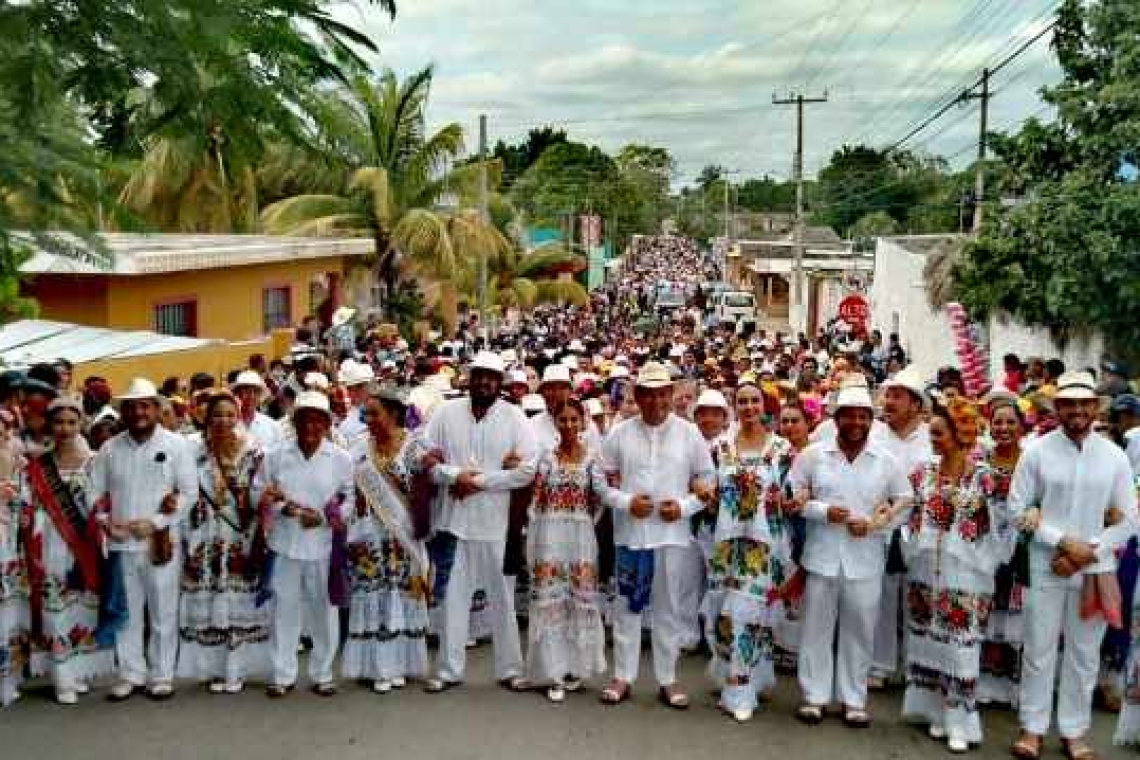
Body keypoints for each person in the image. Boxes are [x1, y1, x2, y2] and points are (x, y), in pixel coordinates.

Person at [1009, 371, 1138, 760]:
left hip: (1095, 571)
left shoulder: (1113, 456)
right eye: (1069, 404)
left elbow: (1129, 519)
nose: (1077, 411)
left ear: (1095, 409)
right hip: (1046, 564)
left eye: (1084, 404)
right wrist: (1063, 543)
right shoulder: (1036, 451)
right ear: (1058, 408)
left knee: (1084, 654)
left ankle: (1074, 731)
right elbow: (1017, 508)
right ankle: (1031, 729)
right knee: (1038, 648)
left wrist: (1090, 551)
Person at [788, 383, 912, 728]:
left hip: (866, 558)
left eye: (863, 416)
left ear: (871, 421)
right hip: (822, 555)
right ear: (836, 418)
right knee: (816, 627)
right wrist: (823, 511)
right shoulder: (813, 455)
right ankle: (813, 696)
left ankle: (853, 699)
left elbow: (905, 501)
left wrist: (875, 524)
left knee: (859, 628)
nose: (856, 422)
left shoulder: (886, 461)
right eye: (849, 416)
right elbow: (793, 498)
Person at [599, 361, 715, 709]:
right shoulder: (619, 433)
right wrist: (625, 501)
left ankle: (668, 678)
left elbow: (708, 480)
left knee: (668, 607)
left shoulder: (688, 433)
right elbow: (600, 482)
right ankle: (623, 676)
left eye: (662, 394)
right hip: (631, 533)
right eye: (647, 394)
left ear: (671, 394)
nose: (655, 401)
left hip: (672, 535)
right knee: (626, 606)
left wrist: (684, 506)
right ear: (638, 395)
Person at [900, 399, 1012, 753]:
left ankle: (961, 718)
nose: (932, 438)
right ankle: (936, 712)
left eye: (938, 432)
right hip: (925, 568)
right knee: (929, 638)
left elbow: (1002, 524)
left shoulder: (984, 476)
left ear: (959, 433)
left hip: (967, 571)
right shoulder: (923, 472)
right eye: (931, 432)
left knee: (961, 643)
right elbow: (906, 510)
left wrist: (984, 548)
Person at [421, 351, 536, 693]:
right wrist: (454, 476)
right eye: (479, 375)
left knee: (502, 598)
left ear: (500, 383)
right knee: (453, 600)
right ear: (468, 379)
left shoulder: (515, 417)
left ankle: (510, 669)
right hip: (456, 524)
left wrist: (478, 482)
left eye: (492, 376)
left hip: (496, 525)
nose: (485, 381)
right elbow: (424, 457)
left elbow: (527, 470)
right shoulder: (445, 413)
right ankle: (448, 670)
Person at [88, 378, 197, 701]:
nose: (138, 412)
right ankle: (130, 674)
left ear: (156, 408)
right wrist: (106, 522)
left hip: (161, 543)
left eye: (145, 405)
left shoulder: (177, 445)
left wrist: (157, 522)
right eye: (132, 406)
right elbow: (94, 490)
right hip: (122, 545)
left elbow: (188, 493)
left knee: (163, 612)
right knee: (128, 613)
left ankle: (162, 675)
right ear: (123, 410)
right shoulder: (110, 448)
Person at [704, 382, 794, 722]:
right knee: (726, 614)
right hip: (727, 544)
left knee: (750, 612)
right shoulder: (720, 446)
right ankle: (739, 674)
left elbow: (793, 489)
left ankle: (739, 688)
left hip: (763, 546)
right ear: (734, 406)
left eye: (754, 400)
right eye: (741, 401)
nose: (748, 407)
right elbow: (708, 487)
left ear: (764, 405)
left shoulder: (782, 449)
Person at [256, 391, 353, 698]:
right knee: (284, 610)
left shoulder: (340, 458)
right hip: (285, 544)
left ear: (326, 424)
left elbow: (349, 498)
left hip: (323, 546)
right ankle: (282, 675)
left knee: (324, 612)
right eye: (304, 420)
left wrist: (325, 519)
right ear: (294, 422)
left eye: (317, 420)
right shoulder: (275, 455)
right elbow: (258, 492)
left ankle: (322, 674)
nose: (310, 427)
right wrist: (285, 508)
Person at [177, 390, 271, 694]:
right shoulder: (191, 450)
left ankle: (237, 670)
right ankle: (214, 670)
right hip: (204, 536)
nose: (224, 420)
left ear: (239, 416)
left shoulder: (254, 451)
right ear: (206, 417)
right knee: (210, 602)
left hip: (239, 536)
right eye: (218, 414)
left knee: (236, 603)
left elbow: (260, 492)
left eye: (230, 414)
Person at [21, 398, 113, 705]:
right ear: (50, 426)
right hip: (49, 542)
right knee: (55, 607)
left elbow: (105, 501)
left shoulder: (96, 461)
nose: (65, 428)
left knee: (83, 607)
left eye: (71, 422)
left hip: (85, 545)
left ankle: (78, 669)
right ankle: (61, 677)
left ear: (81, 425)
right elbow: (27, 504)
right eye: (59, 422)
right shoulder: (35, 466)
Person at [342, 385, 431, 693]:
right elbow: (345, 487)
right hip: (368, 535)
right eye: (365, 413)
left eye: (374, 413)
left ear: (393, 413)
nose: (367, 419)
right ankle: (378, 667)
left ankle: (402, 664)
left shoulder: (416, 446)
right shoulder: (356, 449)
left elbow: (426, 487)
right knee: (375, 595)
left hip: (403, 535)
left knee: (402, 594)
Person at [524, 397, 607, 702]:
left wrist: (582, 520)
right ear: (556, 424)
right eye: (564, 420)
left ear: (583, 421)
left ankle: (574, 667)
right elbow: (535, 500)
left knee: (577, 600)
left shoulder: (593, 460)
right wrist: (536, 534)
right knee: (551, 601)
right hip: (549, 536)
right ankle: (552, 671)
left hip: (581, 537)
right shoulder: (546, 458)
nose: (570, 425)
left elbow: (599, 499)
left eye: (575, 419)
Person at [871, 365, 933, 689]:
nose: (889, 402)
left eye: (897, 396)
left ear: (916, 403)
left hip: (921, 528)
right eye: (887, 395)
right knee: (882, 596)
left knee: (918, 597)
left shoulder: (930, 437)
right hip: (881, 526)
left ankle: (917, 667)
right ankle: (879, 665)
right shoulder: (874, 434)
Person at [978, 400, 1029, 707]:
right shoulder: (980, 460)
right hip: (985, 544)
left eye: (1011, 422)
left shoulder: (1031, 460)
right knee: (985, 611)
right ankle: (984, 686)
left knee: (1014, 618)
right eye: (998, 422)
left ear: (1021, 426)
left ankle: (1010, 689)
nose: (1004, 428)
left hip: (1021, 546)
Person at [231, 371, 283, 450]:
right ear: (237, 393)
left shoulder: (272, 426)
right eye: (246, 391)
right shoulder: (228, 424)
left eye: (255, 392)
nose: (251, 396)